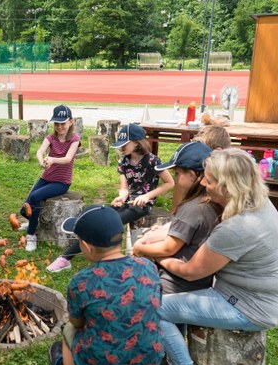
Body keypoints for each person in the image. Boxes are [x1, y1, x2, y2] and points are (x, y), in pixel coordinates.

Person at [157, 148, 278, 365]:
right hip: (249, 296)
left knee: (156, 308)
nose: (203, 183)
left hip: (247, 306)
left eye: (209, 180)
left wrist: (158, 257)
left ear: (228, 187)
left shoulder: (237, 227)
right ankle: (173, 359)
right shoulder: (260, 203)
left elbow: (191, 271)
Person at [48, 205, 163, 365]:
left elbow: (78, 322)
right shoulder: (148, 266)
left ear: (86, 246)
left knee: (68, 331)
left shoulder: (82, 281)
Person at [46, 123, 174, 272]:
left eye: (125, 144)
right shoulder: (124, 161)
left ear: (137, 142)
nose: (122, 148)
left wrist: (147, 196)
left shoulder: (152, 161)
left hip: (142, 205)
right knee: (97, 215)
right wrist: (121, 197)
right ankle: (66, 258)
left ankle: (71, 258)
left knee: (112, 222)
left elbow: (170, 183)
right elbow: (124, 189)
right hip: (127, 201)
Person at [132, 142, 222, 294]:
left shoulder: (192, 209)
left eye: (177, 173)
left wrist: (140, 247)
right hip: (199, 283)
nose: (175, 178)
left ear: (192, 175)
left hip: (173, 284)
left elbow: (168, 248)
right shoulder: (210, 202)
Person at [14, 104, 80, 252]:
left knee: (36, 197)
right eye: (57, 123)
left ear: (71, 122)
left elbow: (68, 158)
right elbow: (39, 152)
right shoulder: (51, 137)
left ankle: (31, 235)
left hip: (61, 182)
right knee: (25, 208)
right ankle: (32, 221)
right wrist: (41, 160)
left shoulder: (74, 139)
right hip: (47, 177)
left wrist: (52, 159)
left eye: (63, 123)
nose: (60, 127)